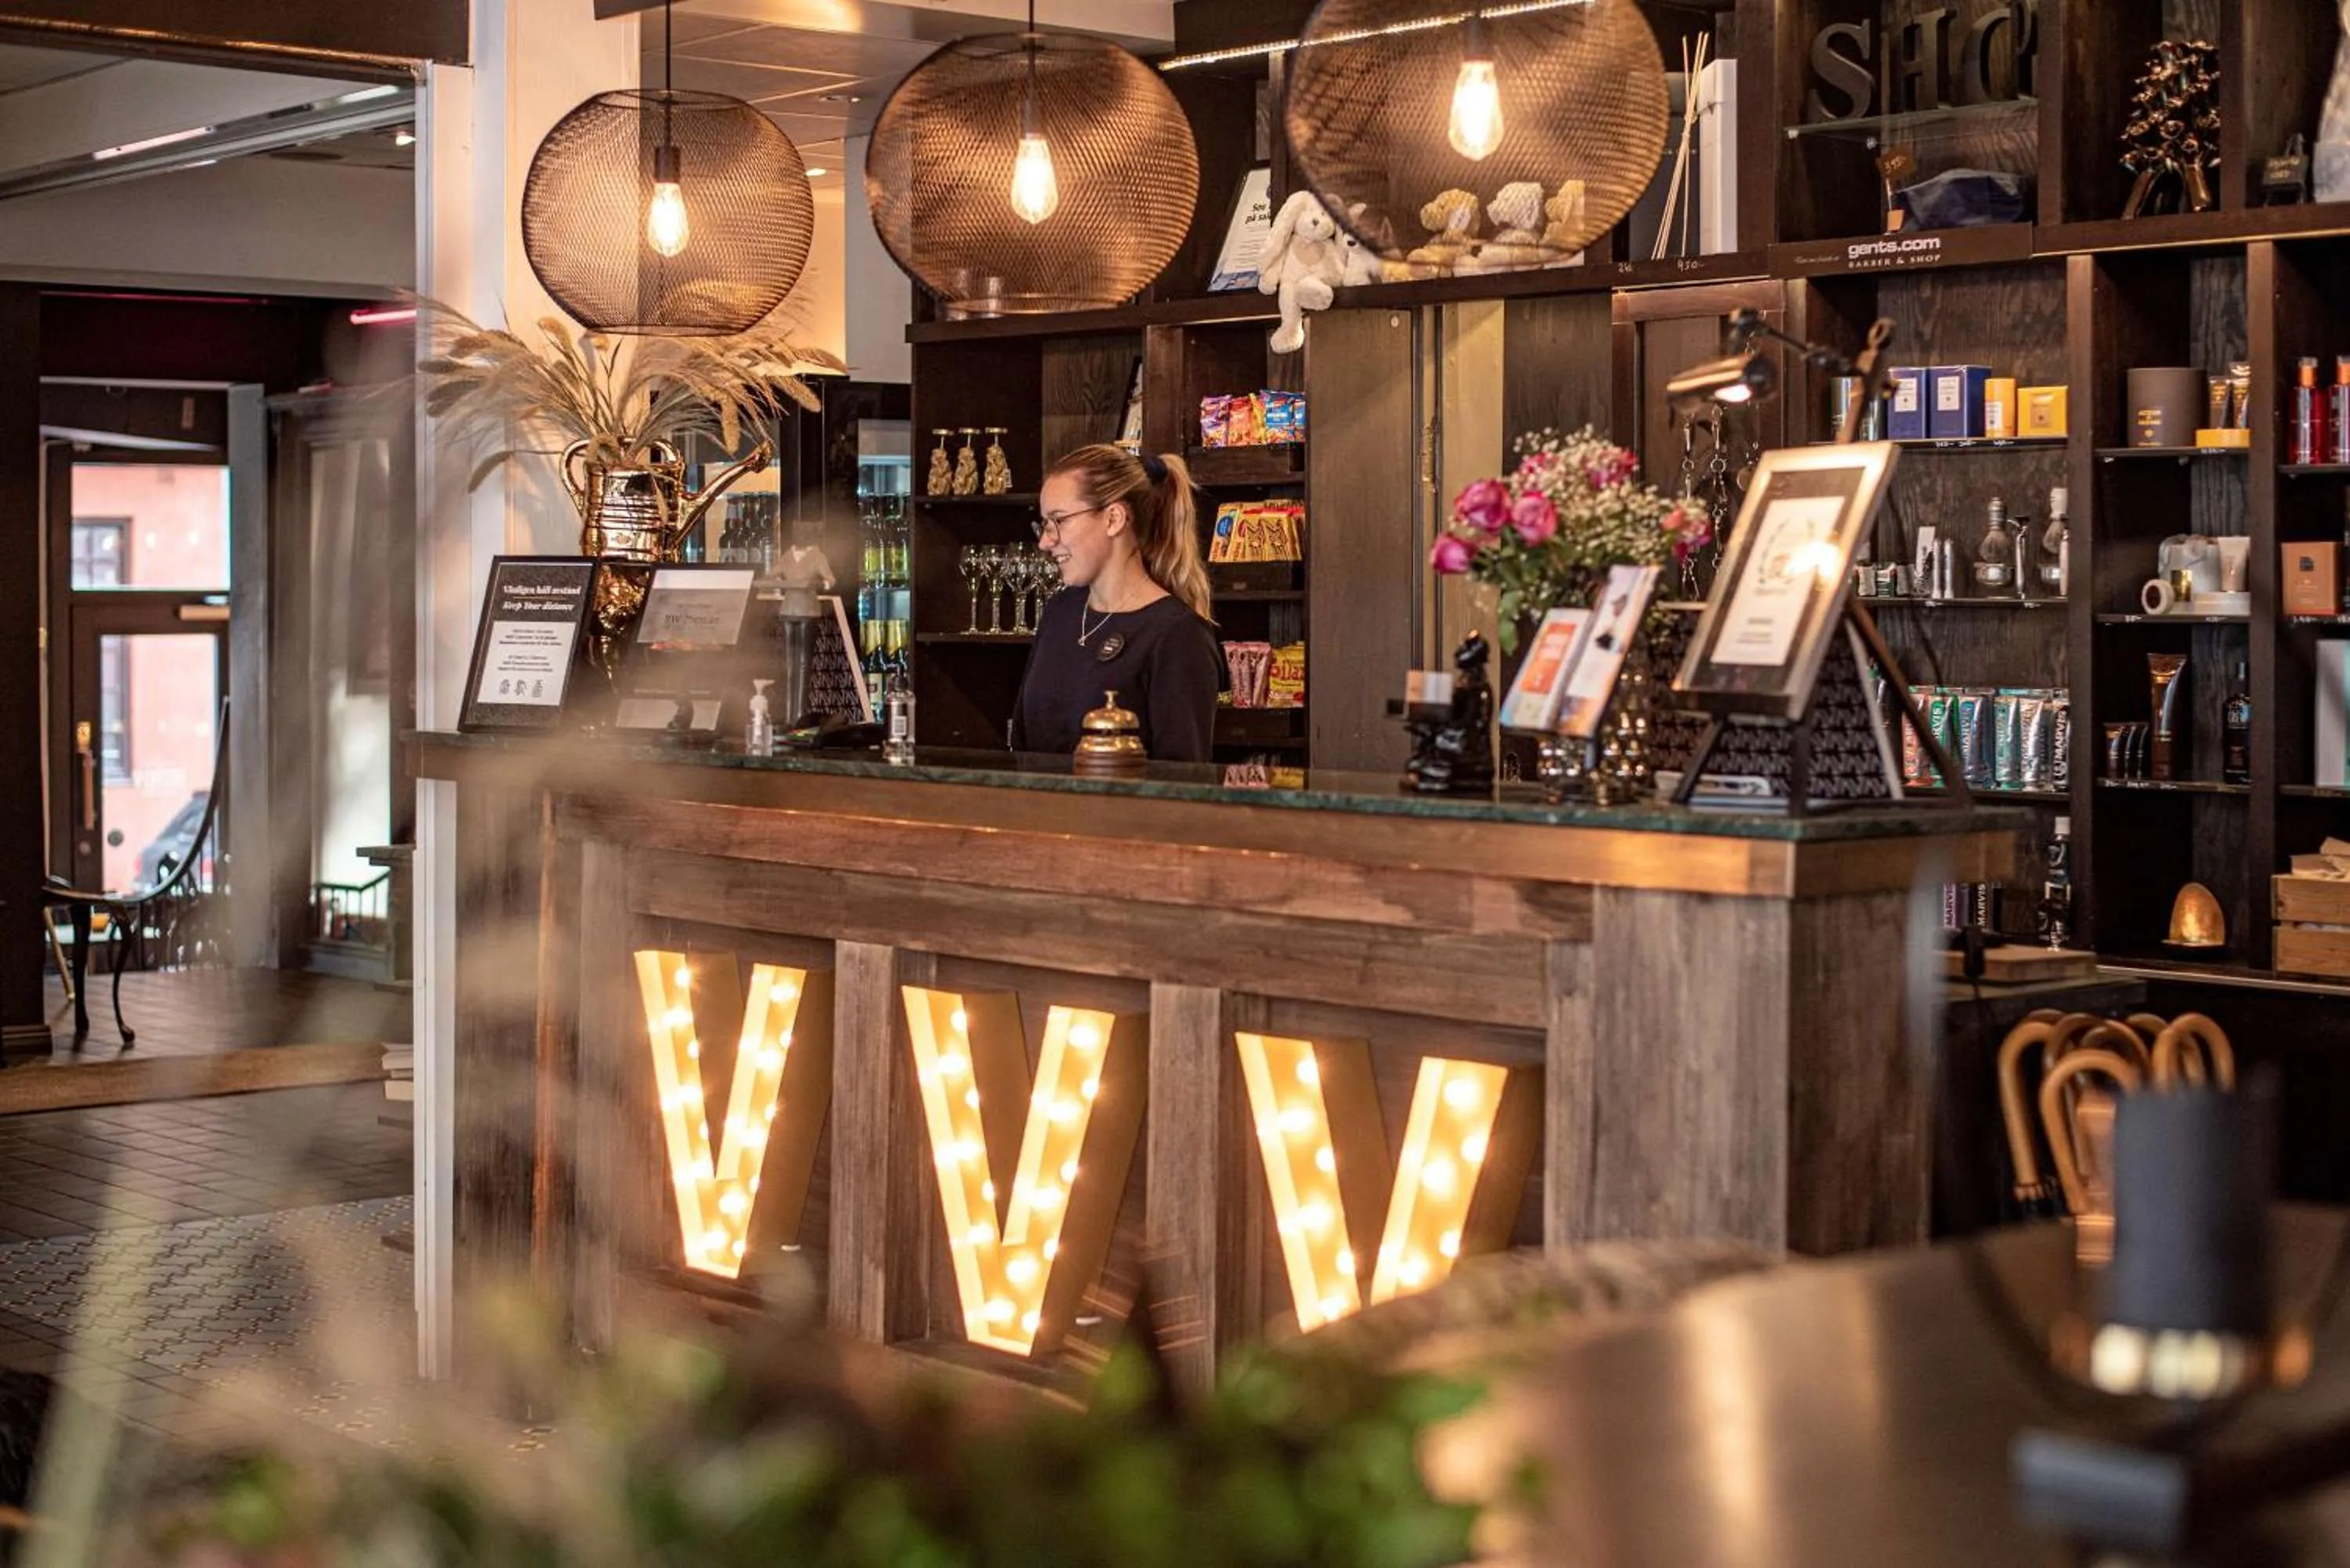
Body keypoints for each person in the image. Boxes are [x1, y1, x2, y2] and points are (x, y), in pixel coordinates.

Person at [1010, 444, 1222, 762]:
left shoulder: (1177, 635)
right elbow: (1023, 744)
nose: (1045, 541)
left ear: (1114, 519)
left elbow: (1182, 784)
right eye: (1044, 524)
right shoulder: (1061, 611)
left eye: (1060, 521)